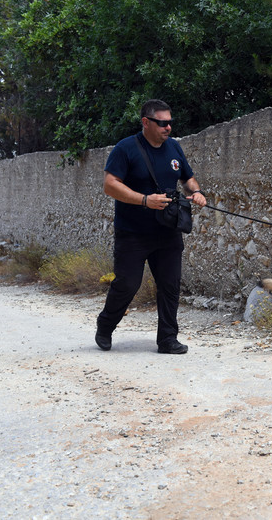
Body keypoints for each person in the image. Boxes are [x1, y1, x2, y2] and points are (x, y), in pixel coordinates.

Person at [95, 99, 207, 354]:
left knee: (170, 285)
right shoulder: (125, 149)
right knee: (127, 284)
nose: (168, 128)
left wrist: (197, 191)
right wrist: (145, 200)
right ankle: (105, 325)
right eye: (162, 123)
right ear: (146, 122)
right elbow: (110, 184)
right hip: (133, 232)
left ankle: (168, 339)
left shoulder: (174, 148)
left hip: (167, 231)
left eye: (170, 123)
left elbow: (187, 178)